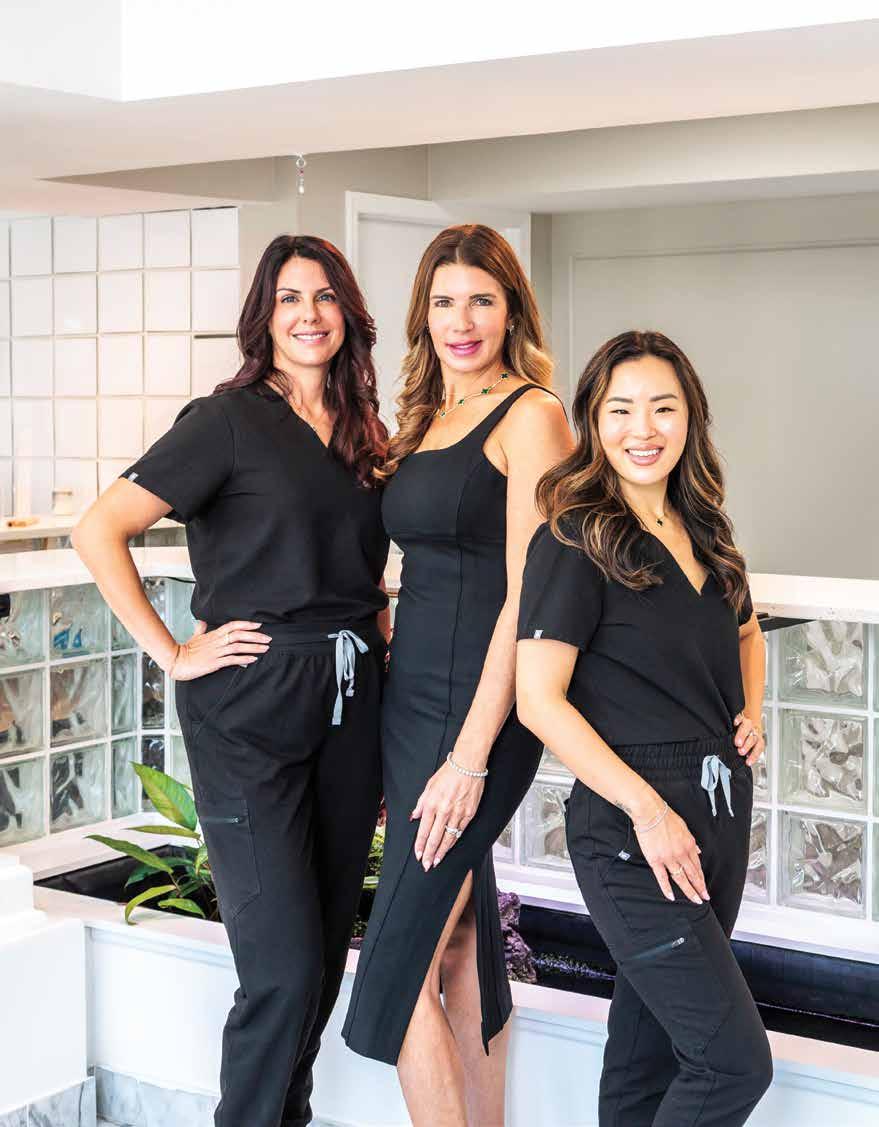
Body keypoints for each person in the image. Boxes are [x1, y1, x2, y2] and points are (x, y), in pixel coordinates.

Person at [72, 235, 390, 1127]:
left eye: (324, 296)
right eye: (289, 298)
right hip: (251, 704)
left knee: (321, 961)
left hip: (352, 700)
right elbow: (99, 529)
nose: (309, 314)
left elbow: (359, 567)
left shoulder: (365, 431)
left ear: (347, 312)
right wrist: (172, 651)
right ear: (263, 316)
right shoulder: (225, 421)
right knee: (281, 968)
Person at [342, 224, 573, 1126]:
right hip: (411, 704)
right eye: (443, 302)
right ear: (422, 315)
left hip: (481, 714)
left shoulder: (531, 414)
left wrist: (471, 756)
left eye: (481, 299)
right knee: (462, 940)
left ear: (511, 310)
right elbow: (428, 561)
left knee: (394, 975)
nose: (461, 320)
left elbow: (527, 592)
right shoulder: (425, 417)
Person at [516, 329, 772, 1126]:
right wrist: (649, 810)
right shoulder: (573, 538)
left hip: (716, 818)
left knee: (646, 1054)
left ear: (689, 417)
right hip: (632, 830)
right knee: (732, 1063)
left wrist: (751, 710)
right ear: (593, 422)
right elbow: (538, 700)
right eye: (620, 409)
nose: (642, 428)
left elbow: (748, 632)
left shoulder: (707, 531)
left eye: (662, 407)